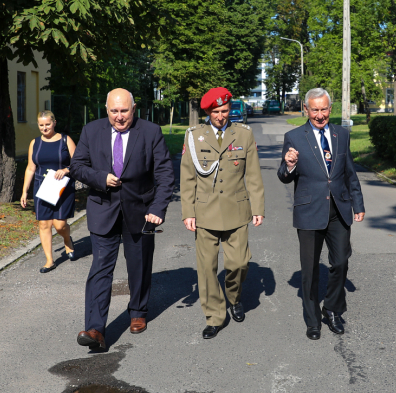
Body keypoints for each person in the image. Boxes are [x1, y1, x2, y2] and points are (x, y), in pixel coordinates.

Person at [68, 88, 174, 351]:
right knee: (101, 268)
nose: (119, 117)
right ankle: (95, 328)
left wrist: (158, 208)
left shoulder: (150, 132)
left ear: (134, 108)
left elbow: (164, 175)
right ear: (106, 110)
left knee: (138, 265)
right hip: (103, 209)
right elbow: (77, 167)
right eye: (114, 111)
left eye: (124, 110)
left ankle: (138, 310)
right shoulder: (92, 131)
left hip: (141, 211)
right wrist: (100, 178)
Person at [277, 88, 365, 340]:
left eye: (324, 109)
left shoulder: (341, 134)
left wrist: (357, 203)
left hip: (339, 209)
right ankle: (313, 320)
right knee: (310, 269)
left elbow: (349, 172)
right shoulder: (294, 136)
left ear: (330, 108)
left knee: (340, 262)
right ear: (306, 109)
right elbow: (283, 175)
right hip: (309, 211)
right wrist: (290, 165)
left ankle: (333, 310)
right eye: (314, 109)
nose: (319, 115)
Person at [180, 87, 265, 340]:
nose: (221, 116)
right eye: (216, 112)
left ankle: (234, 297)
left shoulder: (243, 134)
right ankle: (215, 317)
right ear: (207, 112)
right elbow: (187, 177)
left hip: (237, 210)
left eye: (225, 111)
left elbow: (253, 174)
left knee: (239, 262)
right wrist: (188, 212)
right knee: (206, 268)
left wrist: (258, 207)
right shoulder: (194, 136)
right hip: (204, 211)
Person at [20, 111, 77, 273]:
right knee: (44, 224)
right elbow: (31, 168)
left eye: (47, 124)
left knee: (59, 225)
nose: (44, 128)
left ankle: (67, 240)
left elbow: (79, 163)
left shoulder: (65, 140)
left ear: (54, 123)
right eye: (41, 125)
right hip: (42, 187)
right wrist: (25, 192)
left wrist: (66, 170)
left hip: (62, 188)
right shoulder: (35, 143)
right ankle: (49, 260)